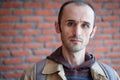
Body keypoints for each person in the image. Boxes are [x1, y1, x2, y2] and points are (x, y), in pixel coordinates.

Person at [20, 0, 120, 80]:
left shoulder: (111, 76)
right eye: (70, 23)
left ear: (93, 32)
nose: (77, 33)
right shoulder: (32, 75)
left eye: (85, 25)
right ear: (58, 27)